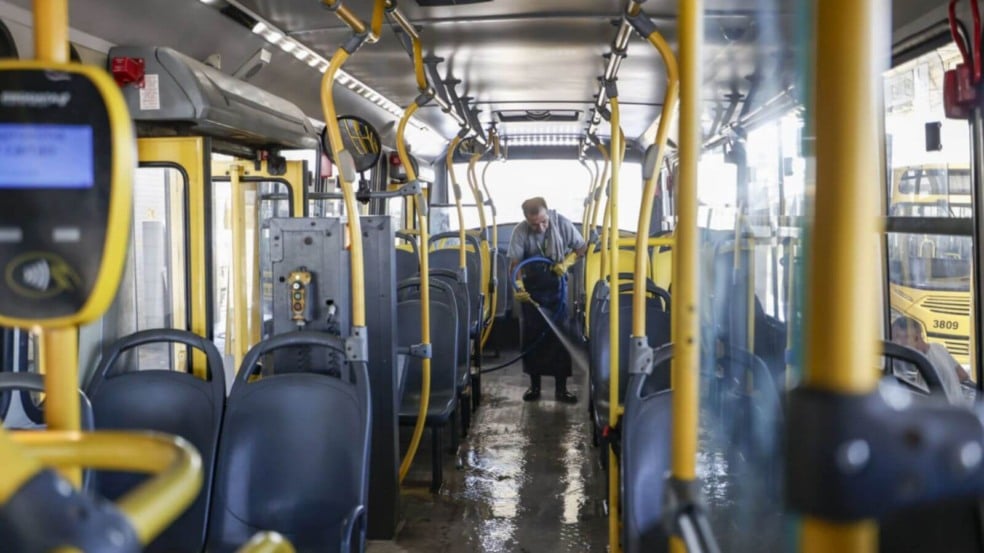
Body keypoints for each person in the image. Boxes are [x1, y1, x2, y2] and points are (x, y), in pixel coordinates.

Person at [507, 197, 587, 403]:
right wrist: (519, 287)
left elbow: (582, 247)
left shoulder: (561, 224)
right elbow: (515, 264)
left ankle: (562, 390)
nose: (540, 227)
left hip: (557, 289)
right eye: (534, 224)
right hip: (532, 290)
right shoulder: (520, 232)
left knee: (559, 339)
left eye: (543, 221)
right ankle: (534, 387)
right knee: (533, 339)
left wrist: (567, 262)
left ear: (547, 214)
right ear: (526, 220)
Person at [891, 316, 973, 405]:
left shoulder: (925, 363)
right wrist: (950, 385)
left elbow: (921, 400)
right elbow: (962, 375)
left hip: (943, 415)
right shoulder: (938, 348)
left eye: (897, 337)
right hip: (958, 411)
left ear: (915, 337)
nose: (894, 342)